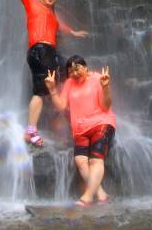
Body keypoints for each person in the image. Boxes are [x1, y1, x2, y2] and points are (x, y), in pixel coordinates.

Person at [13, 0, 88, 146]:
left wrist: (75, 33)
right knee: (40, 91)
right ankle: (31, 130)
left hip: (50, 53)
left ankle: (69, 108)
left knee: (70, 70)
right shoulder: (33, 4)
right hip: (39, 51)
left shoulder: (52, 16)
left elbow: (60, 27)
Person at [44, 55, 116, 207]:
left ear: (86, 67)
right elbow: (62, 106)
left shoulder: (97, 78)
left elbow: (106, 106)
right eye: (71, 71)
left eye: (78, 69)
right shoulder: (69, 83)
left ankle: (87, 197)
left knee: (95, 160)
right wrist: (52, 89)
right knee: (80, 160)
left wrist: (106, 87)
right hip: (80, 129)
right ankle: (101, 195)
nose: (75, 74)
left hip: (101, 123)